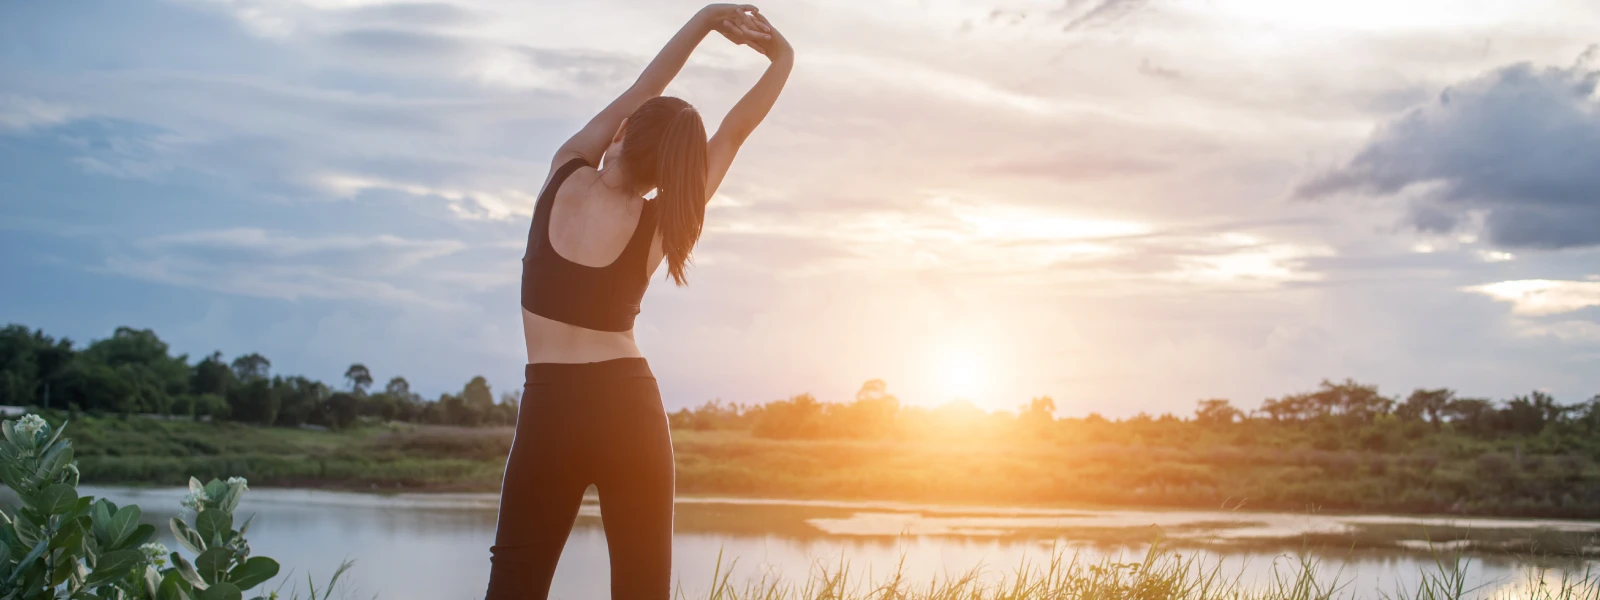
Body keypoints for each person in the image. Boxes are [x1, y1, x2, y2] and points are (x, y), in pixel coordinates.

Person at [486, 4, 792, 599]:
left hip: (548, 409)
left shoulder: (563, 172)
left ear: (623, 132)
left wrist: (706, 20)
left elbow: (646, 87)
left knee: (514, 588)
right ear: (667, 178)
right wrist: (783, 58)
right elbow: (732, 133)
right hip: (629, 408)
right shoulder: (659, 226)